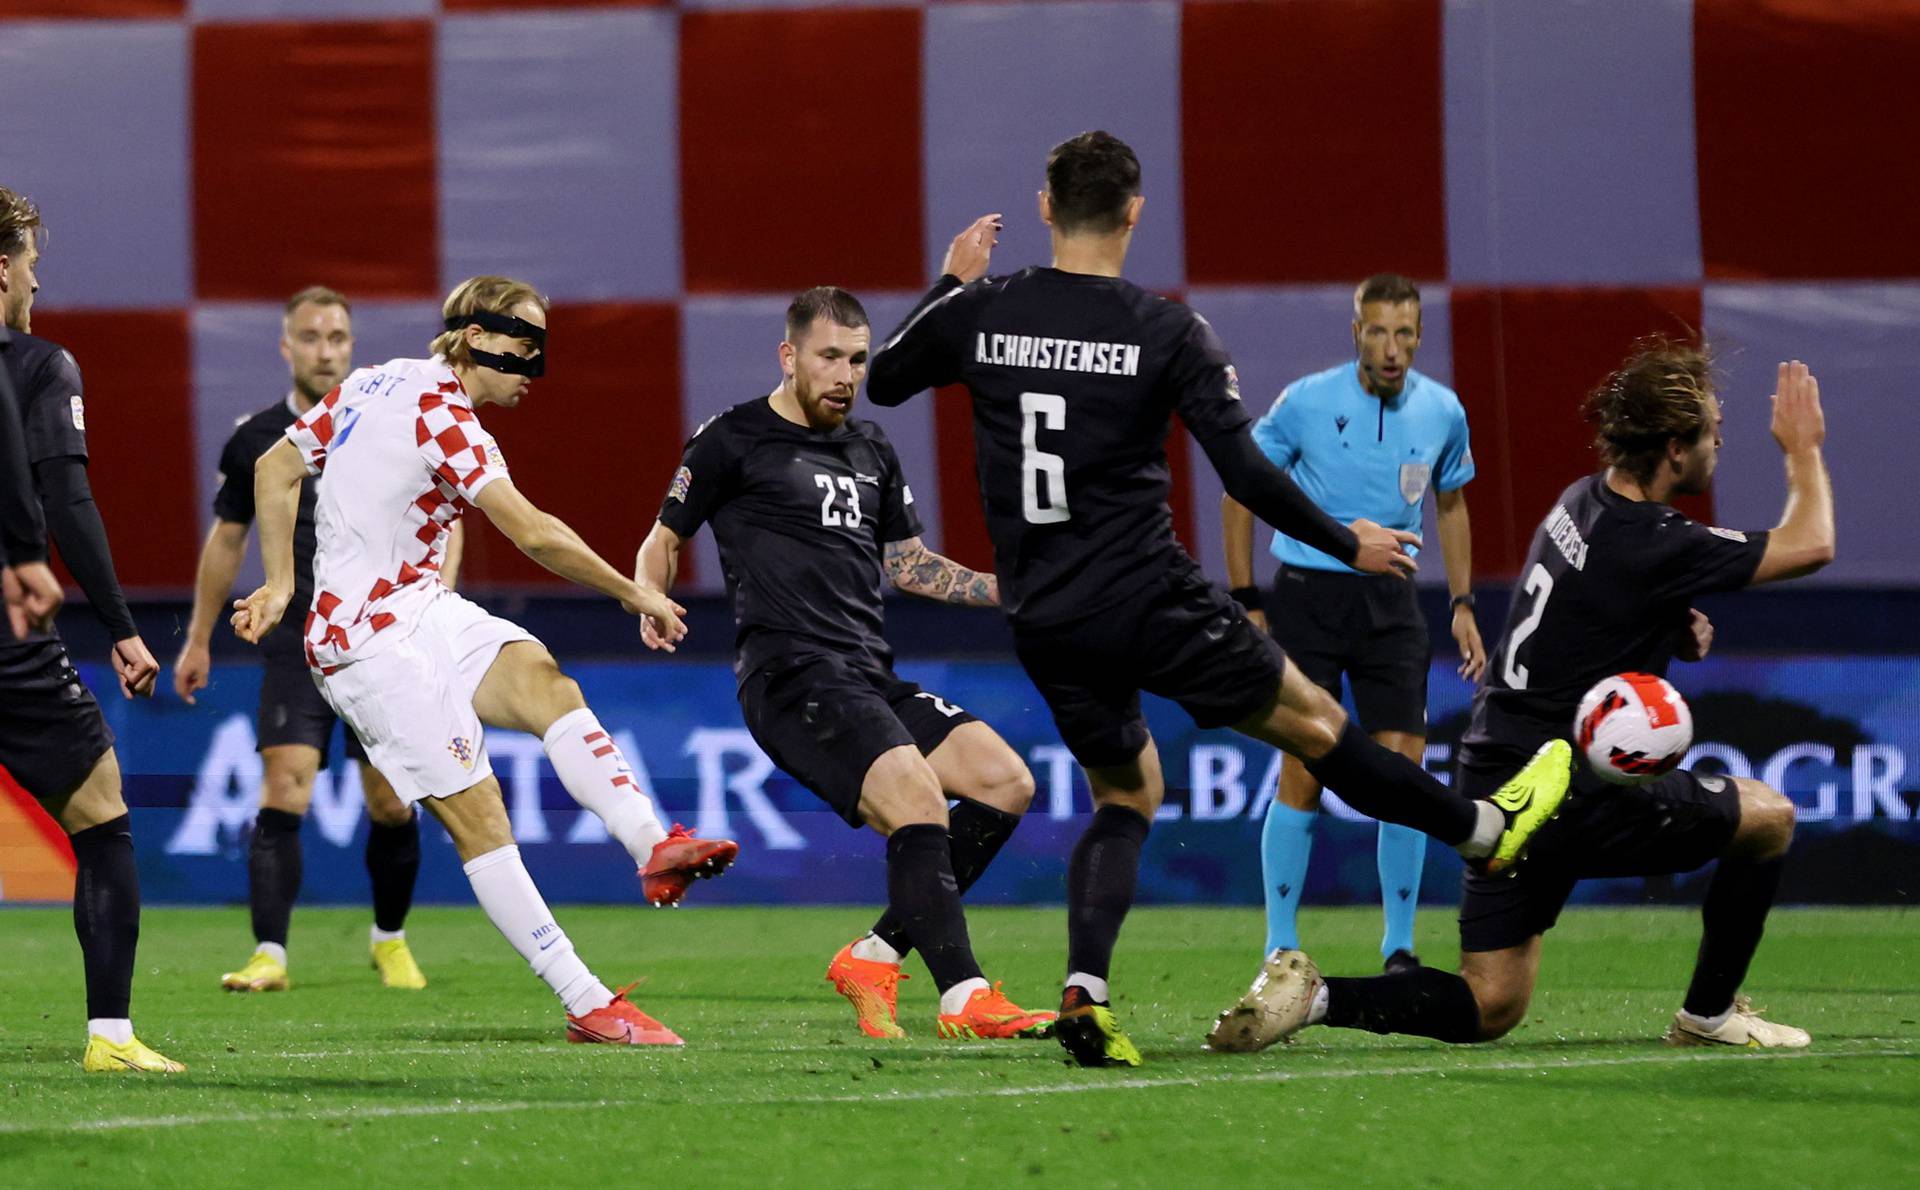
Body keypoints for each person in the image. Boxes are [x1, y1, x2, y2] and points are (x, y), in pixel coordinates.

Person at [866, 131, 1571, 1068]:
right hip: (1151, 597)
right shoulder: (1167, 330)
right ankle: (1484, 831)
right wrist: (1347, 537)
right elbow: (1241, 467)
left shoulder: (985, 310)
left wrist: (951, 286)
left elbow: (882, 377)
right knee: (1318, 726)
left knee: (1125, 792)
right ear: (1134, 212)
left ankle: (1086, 992)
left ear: (1044, 207)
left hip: (1045, 613)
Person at [1208, 346, 1830, 1052]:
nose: (1721, 442)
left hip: (1500, 777)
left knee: (1491, 1002)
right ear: (1674, 447)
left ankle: (1315, 997)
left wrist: (1666, 626)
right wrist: (1802, 450)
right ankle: (1709, 1016)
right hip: (1573, 793)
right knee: (1770, 817)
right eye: (1713, 430)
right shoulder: (1655, 539)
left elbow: (1593, 610)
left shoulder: (1583, 501)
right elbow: (1811, 545)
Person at [232, 275, 738, 1045]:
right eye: (524, 345)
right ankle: (586, 1000)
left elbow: (277, 466)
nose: (535, 364)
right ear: (477, 337)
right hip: (365, 642)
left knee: (543, 680)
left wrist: (279, 583)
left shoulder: (378, 381)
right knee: (482, 817)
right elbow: (533, 533)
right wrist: (634, 593)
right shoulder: (447, 420)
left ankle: (652, 843)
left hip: (421, 608)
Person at [635, 286, 1054, 1042]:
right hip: (792, 675)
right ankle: (964, 995)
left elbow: (910, 565)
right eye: (829, 356)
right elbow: (664, 537)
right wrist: (651, 599)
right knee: (920, 801)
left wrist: (1007, 589)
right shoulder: (732, 438)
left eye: (858, 360)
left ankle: (873, 954)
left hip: (869, 675)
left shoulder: (871, 448)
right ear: (789, 355)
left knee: (1005, 781)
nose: (846, 374)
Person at [176, 287, 456, 994]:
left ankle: (389, 940)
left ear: (351, 346)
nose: (324, 350)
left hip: (381, 635)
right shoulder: (256, 439)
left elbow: (446, 520)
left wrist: (434, 610)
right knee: (285, 786)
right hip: (299, 636)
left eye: (336, 337)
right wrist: (198, 638)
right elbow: (226, 540)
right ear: (286, 347)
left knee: (391, 801)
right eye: (310, 337)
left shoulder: (390, 423)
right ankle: (270, 952)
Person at [1222, 273, 1484, 974]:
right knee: (1306, 761)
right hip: (1308, 597)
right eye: (1378, 331)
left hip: (1394, 601)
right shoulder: (1306, 401)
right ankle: (1280, 943)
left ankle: (1398, 946)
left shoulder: (1443, 411)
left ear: (1420, 337)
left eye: (1404, 333)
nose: (1392, 348)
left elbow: (1452, 504)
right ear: (1356, 331)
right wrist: (1245, 593)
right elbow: (1242, 485)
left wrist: (1463, 603)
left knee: (1403, 767)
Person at [0, 185, 181, 1072]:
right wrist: (120, 626)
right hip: (9, 633)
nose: (38, 279)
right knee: (103, 816)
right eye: (31, 262)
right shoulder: (38, 365)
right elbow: (66, 499)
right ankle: (110, 1038)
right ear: (3, 267)